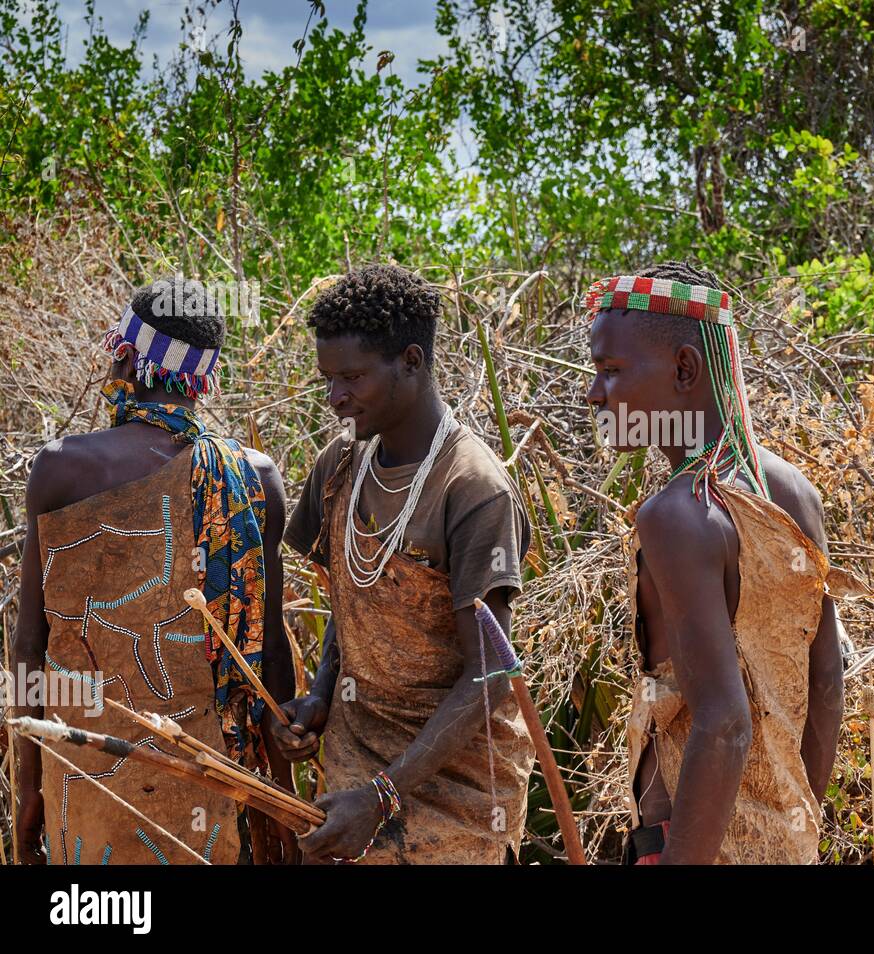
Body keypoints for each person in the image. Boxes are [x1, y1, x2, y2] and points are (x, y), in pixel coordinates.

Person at [14, 277, 295, 865]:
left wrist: (27, 793)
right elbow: (269, 653)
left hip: (83, 776)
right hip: (215, 780)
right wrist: (282, 799)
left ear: (125, 358)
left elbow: (30, 644)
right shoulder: (254, 479)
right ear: (203, 382)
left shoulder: (61, 469)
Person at [272, 264, 535, 864]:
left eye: (352, 377)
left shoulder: (474, 488)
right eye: (328, 379)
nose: (336, 397)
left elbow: (491, 671)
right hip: (353, 762)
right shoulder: (341, 465)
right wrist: (318, 696)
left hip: (456, 788)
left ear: (411, 362)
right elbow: (354, 599)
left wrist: (384, 794)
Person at [585, 262, 845, 864]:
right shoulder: (792, 490)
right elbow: (827, 683)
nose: (594, 393)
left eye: (612, 370)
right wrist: (793, 832)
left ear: (684, 369)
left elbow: (724, 722)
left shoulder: (676, 514)